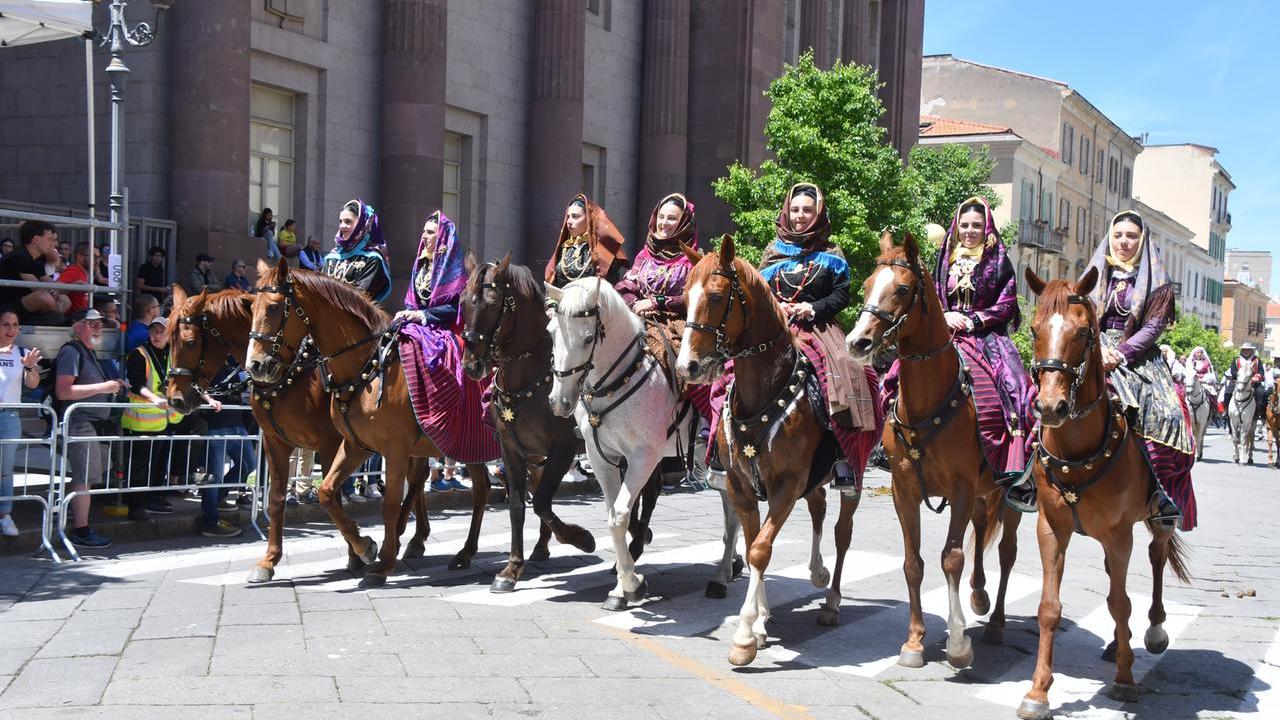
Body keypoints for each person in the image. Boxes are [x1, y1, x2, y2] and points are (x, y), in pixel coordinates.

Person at [757, 182, 882, 488]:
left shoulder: (832, 252)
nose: (800, 216)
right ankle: (721, 451)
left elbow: (842, 295)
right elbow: (759, 292)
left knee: (851, 369)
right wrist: (779, 309)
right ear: (787, 211)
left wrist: (811, 308)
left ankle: (842, 456)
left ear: (818, 213)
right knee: (732, 367)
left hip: (818, 327)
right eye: (796, 210)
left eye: (807, 210)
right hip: (777, 326)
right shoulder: (772, 251)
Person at [1083, 210, 1193, 527]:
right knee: (1048, 397)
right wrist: (1097, 347)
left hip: (1139, 355)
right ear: (1110, 238)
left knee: (1168, 413)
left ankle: (1160, 493)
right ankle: (1034, 475)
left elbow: (1154, 326)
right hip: (1094, 349)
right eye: (1118, 235)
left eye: (1131, 236)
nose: (1124, 242)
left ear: (1142, 241)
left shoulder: (1157, 282)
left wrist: (1121, 353)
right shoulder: (1094, 273)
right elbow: (1082, 315)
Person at [393, 210, 474, 496]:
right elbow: (411, 300)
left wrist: (422, 317)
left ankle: (439, 416)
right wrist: (409, 315)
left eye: (429, 232)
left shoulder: (455, 267)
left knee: (438, 357)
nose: (423, 237)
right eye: (424, 232)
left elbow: (457, 309)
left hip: (444, 330)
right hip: (418, 325)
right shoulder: (421, 264)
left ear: (441, 238)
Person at [54, 308, 120, 548]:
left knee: (87, 478)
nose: (97, 327)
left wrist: (111, 385)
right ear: (77, 326)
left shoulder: (87, 352)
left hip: (88, 423)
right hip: (79, 423)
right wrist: (104, 387)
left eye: (99, 324)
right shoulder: (72, 352)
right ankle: (81, 530)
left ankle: (79, 523)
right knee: (84, 478)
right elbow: (64, 391)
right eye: (91, 323)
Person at [122, 315, 182, 519]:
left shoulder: (171, 354)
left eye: (161, 331)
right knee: (139, 466)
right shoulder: (139, 354)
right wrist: (155, 399)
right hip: (139, 421)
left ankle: (153, 497)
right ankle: (135, 506)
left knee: (158, 463)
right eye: (153, 331)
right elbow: (136, 384)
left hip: (163, 420)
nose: (156, 335)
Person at [195, 364, 250, 537]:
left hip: (237, 423)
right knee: (213, 477)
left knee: (249, 465)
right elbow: (195, 384)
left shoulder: (234, 361)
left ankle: (218, 497)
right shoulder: (208, 360)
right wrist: (210, 400)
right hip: (215, 426)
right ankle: (210, 520)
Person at [0, 309, 41, 537]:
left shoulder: (22, 353)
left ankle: (4, 515)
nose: (10, 330)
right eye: (6, 324)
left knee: (5, 469)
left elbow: (33, 384)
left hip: (9, 416)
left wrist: (28, 367)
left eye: (14, 325)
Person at [544, 193, 629, 289]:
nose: (569, 221)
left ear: (589, 219)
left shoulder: (603, 251)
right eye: (568, 216)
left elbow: (608, 288)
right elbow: (552, 284)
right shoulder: (564, 249)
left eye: (575, 216)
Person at [0, 220, 71, 324]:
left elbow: (47, 280)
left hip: (25, 305)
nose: (53, 244)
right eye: (49, 239)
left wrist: (73, 286)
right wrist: (54, 291)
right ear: (37, 240)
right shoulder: (19, 256)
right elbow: (36, 287)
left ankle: (52, 319)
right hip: (7, 306)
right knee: (45, 298)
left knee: (65, 300)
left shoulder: (36, 257)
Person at [323, 199, 392, 304]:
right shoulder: (333, 256)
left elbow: (360, 296)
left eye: (348, 221)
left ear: (362, 225)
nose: (342, 226)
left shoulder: (372, 258)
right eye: (340, 221)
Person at [56, 242, 100, 315]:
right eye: (94, 257)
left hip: (85, 315)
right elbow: (55, 288)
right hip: (75, 318)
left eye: (99, 257)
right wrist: (72, 286)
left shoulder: (85, 273)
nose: (98, 261)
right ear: (80, 257)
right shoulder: (74, 271)